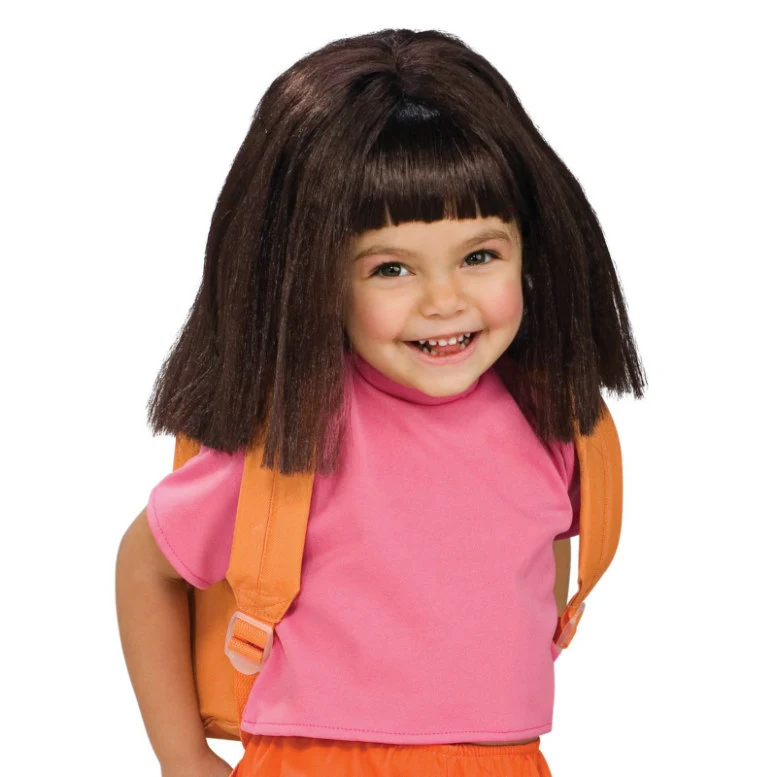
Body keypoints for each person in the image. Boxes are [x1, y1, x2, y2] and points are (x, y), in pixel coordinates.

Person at [116, 27, 647, 777]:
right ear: (317, 278)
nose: (444, 300)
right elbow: (146, 567)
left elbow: (542, 547)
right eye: (391, 268)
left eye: (480, 255)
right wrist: (181, 757)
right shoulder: (294, 435)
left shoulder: (556, 423)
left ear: (532, 252)